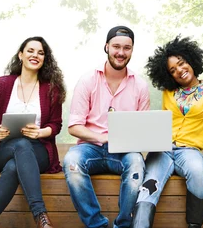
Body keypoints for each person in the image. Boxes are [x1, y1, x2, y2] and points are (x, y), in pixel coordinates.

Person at [0, 37, 66, 228]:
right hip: (6, 148)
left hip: (40, 150)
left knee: (14, 167)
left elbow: (56, 125)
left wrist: (40, 133)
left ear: (45, 59)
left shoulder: (51, 88)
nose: (35, 55)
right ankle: (41, 216)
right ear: (21, 55)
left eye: (40, 53)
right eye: (30, 50)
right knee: (20, 146)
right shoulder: (3, 84)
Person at [64, 26, 150, 228]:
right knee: (71, 161)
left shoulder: (140, 85)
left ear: (132, 50)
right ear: (107, 47)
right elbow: (74, 126)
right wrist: (102, 138)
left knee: (137, 164)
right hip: (91, 148)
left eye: (126, 48)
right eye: (116, 46)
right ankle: (96, 225)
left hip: (123, 151)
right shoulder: (87, 80)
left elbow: (144, 129)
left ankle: (122, 225)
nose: (121, 52)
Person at [131, 36, 203, 228]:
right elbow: (163, 123)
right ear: (169, 75)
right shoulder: (168, 92)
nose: (179, 70)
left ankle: (194, 225)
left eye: (181, 63)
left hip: (189, 151)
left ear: (191, 60)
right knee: (149, 186)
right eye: (173, 70)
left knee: (198, 171)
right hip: (162, 149)